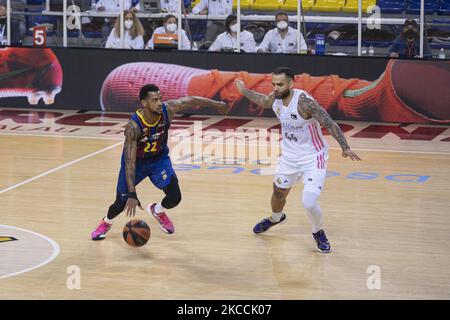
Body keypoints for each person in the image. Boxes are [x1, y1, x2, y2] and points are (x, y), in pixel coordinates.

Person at [235, 67, 361, 253]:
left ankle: (317, 232)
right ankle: (276, 218)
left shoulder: (304, 103)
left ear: (291, 83)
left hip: (313, 156)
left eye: (280, 84)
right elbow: (262, 100)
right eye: (274, 84)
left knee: (308, 202)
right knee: (278, 194)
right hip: (289, 157)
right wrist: (243, 90)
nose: (275, 88)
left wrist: (345, 147)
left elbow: (329, 123)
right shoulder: (275, 98)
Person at [91, 84, 228, 240]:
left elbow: (190, 100)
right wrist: (132, 193)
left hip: (158, 160)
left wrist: (217, 104)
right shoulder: (134, 126)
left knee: (175, 197)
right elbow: (129, 162)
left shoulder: (167, 110)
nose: (159, 103)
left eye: (160, 99)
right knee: (120, 204)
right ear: (144, 103)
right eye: (154, 100)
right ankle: (106, 222)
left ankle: (158, 210)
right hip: (136, 163)